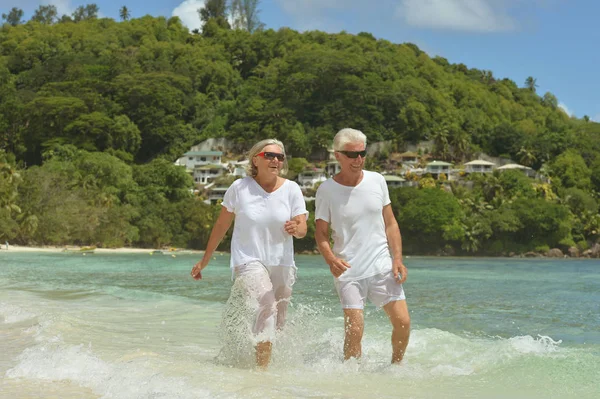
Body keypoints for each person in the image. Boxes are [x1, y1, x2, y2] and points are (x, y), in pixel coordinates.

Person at [191, 139, 308, 369]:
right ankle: (261, 376)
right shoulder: (239, 188)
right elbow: (221, 227)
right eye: (269, 156)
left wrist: (297, 229)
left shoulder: (292, 189)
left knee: (278, 320)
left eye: (279, 157)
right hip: (248, 260)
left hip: (282, 262)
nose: (275, 160)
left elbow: (303, 227)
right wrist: (205, 260)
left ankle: (256, 361)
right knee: (267, 305)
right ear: (256, 159)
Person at [315, 128, 410, 364]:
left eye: (362, 154)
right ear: (337, 155)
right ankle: (351, 379)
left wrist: (397, 259)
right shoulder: (326, 190)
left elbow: (390, 224)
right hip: (348, 269)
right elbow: (321, 233)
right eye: (351, 154)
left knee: (403, 322)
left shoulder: (377, 180)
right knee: (355, 330)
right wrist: (330, 259)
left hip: (381, 265)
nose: (358, 160)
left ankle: (396, 367)